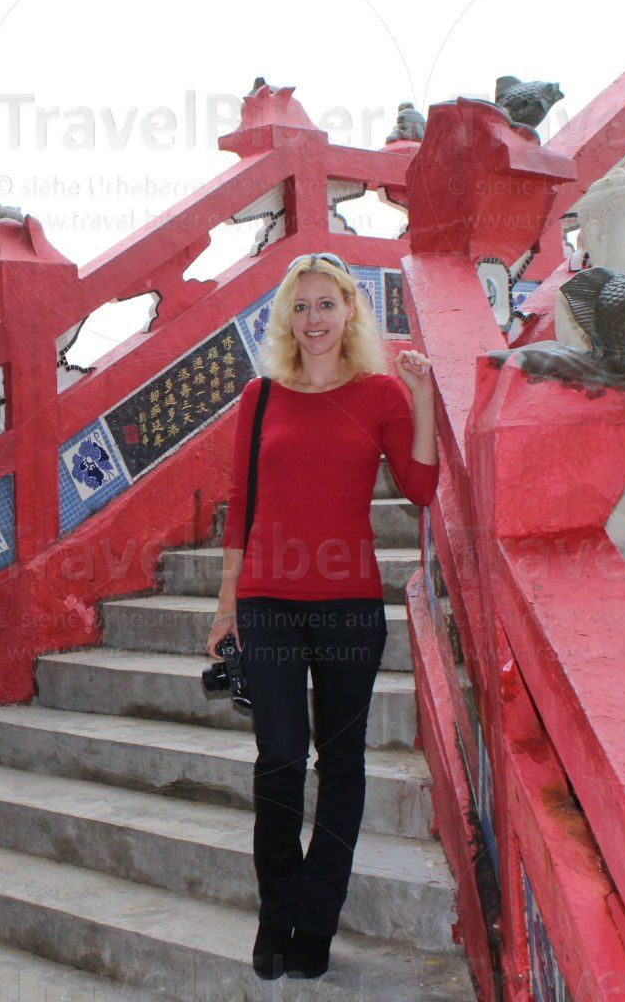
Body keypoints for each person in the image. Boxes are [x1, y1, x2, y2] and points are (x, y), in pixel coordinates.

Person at [206, 251, 438, 980]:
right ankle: (275, 915)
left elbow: (421, 486)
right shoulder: (261, 397)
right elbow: (240, 504)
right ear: (287, 317)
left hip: (348, 607)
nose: (313, 319)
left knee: (341, 764)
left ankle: (316, 922)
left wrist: (423, 400)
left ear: (349, 312)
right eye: (300, 306)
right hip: (268, 601)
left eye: (326, 304)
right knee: (279, 758)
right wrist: (225, 605)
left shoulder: (379, 394)